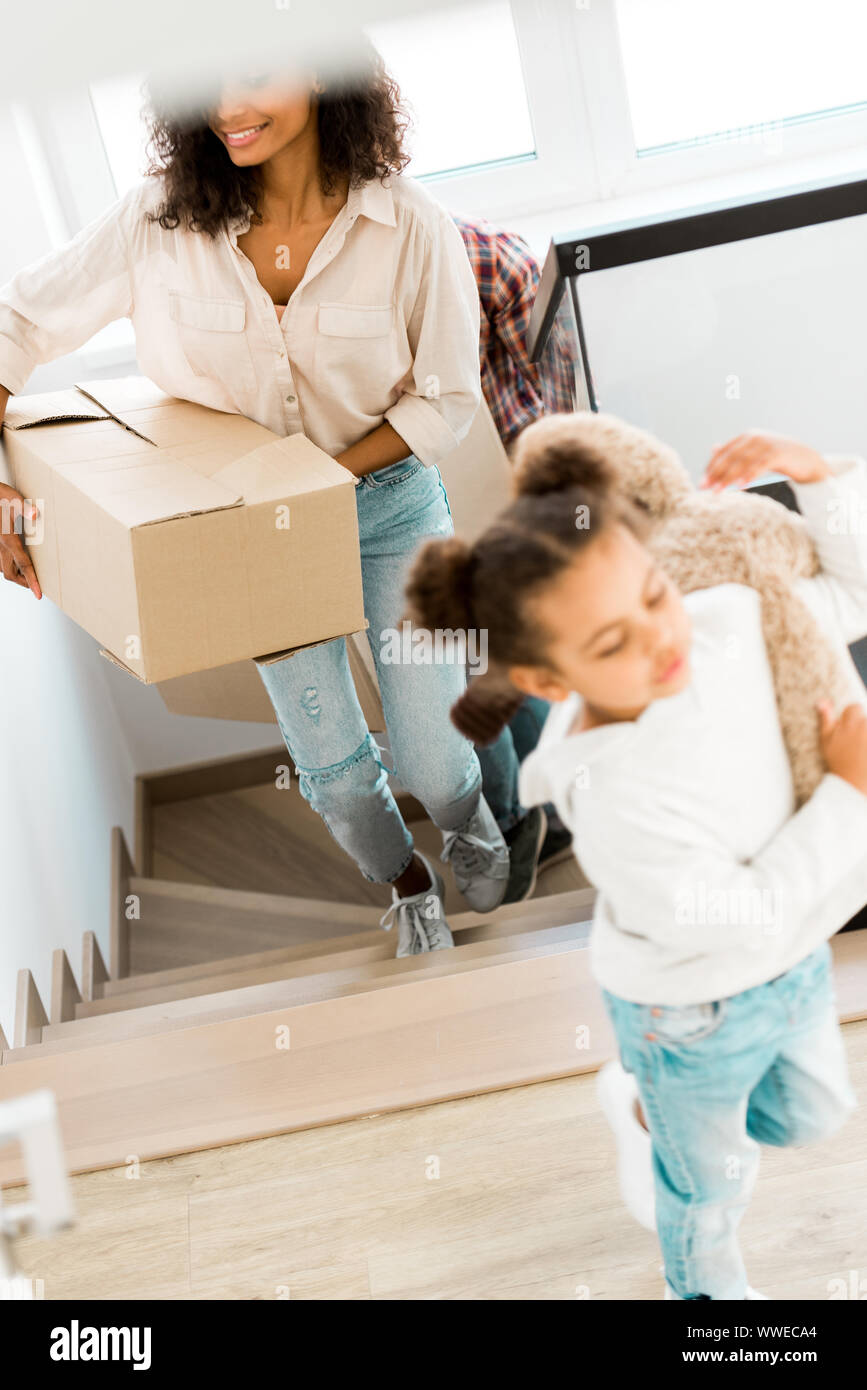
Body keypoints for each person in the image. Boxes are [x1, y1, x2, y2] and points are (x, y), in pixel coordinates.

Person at [0, 43, 509, 957]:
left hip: (389, 506)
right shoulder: (156, 221)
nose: (227, 103)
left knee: (434, 762)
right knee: (339, 776)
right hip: (254, 536)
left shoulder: (409, 226)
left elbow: (445, 401)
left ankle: (469, 818)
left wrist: (323, 481)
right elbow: (18, 321)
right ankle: (408, 884)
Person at [403, 416, 867, 1299]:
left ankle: (646, 1108)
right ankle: (706, 1304)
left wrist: (818, 474)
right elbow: (739, 917)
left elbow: (852, 594)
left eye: (654, 593)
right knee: (708, 1190)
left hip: (797, 960)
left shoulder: (718, 619)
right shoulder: (617, 797)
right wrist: (851, 793)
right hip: (688, 1011)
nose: (661, 638)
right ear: (545, 682)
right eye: (611, 642)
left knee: (811, 1119)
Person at [452, 214, 574, 901]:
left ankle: (523, 816)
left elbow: (553, 397)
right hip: (412, 503)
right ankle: (535, 815)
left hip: (500, 498)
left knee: (486, 664)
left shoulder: (483, 258)